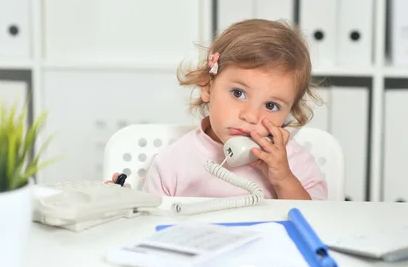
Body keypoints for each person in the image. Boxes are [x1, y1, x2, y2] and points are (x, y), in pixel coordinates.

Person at [111, 19, 328, 200]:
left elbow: (316, 223)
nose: (251, 116)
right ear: (208, 87)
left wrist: (283, 179)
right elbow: (151, 228)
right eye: (238, 93)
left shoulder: (294, 161)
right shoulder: (174, 161)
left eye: (271, 106)